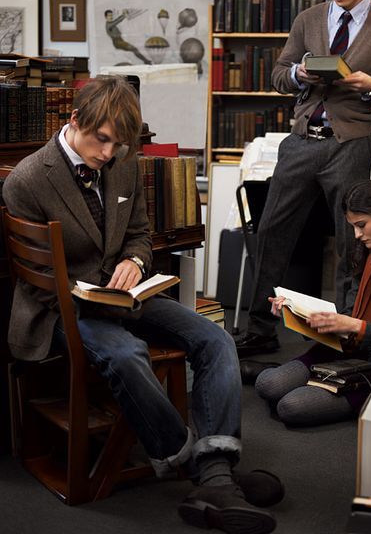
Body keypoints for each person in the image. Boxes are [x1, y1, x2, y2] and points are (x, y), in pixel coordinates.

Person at [3, 77, 283, 534]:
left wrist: (135, 260)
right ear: (75, 120)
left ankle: (215, 470)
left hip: (123, 297)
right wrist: (94, 294)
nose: (110, 152)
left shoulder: (124, 162)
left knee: (215, 339)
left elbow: (138, 232)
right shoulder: (28, 180)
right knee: (127, 355)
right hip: (61, 311)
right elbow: (37, 286)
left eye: (119, 143)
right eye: (102, 139)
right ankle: (206, 471)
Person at [235, 0, 371, 357]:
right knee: (271, 232)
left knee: (351, 240)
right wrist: (300, 75)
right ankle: (260, 327)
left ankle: (341, 335)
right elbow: (279, 76)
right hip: (301, 141)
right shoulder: (308, 19)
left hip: (350, 145)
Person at [254, 179, 371, 427]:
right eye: (353, 226)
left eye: (361, 225)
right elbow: (346, 313)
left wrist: (356, 326)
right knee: (268, 384)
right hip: (344, 347)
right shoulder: (365, 249)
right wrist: (297, 312)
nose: (357, 234)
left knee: (291, 407)